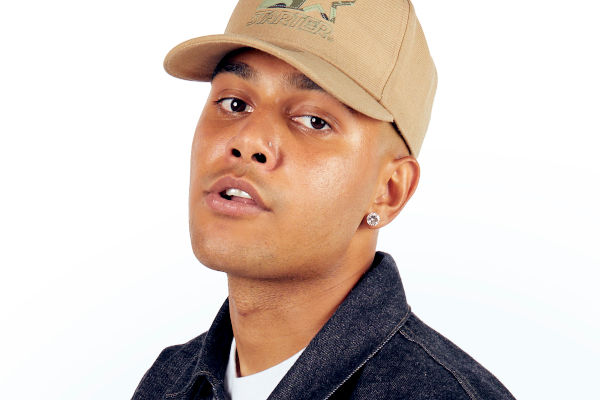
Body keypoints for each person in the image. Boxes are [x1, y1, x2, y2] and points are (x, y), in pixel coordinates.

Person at [132, 0, 516, 399]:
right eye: (235, 104)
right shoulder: (167, 382)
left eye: (314, 121)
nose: (247, 140)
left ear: (389, 190)